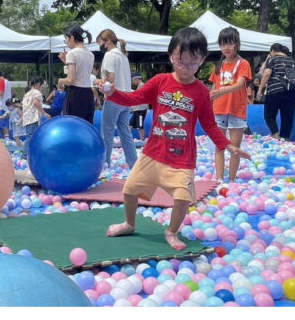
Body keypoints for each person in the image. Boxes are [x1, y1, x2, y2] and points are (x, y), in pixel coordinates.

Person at [99, 27, 251, 251]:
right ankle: (130, 223)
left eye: (192, 63)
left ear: (202, 61)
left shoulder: (200, 91)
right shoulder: (160, 81)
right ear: (171, 56)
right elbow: (134, 99)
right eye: (180, 61)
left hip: (181, 159)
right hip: (153, 153)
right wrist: (111, 94)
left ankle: (171, 231)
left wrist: (227, 144)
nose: (185, 68)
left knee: (182, 199)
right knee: (129, 189)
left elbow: (209, 123)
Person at [209, 27, 252, 183]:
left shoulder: (243, 63)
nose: (226, 47)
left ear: (236, 44)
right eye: (223, 44)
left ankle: (232, 180)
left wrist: (223, 91)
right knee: (219, 146)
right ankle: (219, 179)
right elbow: (213, 89)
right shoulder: (218, 66)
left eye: (229, 43)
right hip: (219, 109)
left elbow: (240, 84)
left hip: (236, 110)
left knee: (235, 148)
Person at [95, 29, 137, 169]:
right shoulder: (123, 55)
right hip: (126, 97)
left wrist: (98, 81)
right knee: (125, 132)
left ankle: (104, 163)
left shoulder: (109, 55)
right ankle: (133, 162)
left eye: (100, 43)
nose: (100, 46)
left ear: (107, 41)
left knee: (106, 133)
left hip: (114, 97)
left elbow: (110, 78)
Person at [256, 44, 295, 140]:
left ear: (272, 51)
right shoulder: (292, 61)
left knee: (269, 115)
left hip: (275, 91)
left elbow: (266, 74)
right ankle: (285, 139)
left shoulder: (273, 59)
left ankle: (276, 137)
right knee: (287, 116)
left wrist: (260, 90)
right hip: (291, 92)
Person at [58, 25, 95, 124]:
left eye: (66, 38)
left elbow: (71, 80)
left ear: (72, 38)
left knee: (72, 125)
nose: (66, 41)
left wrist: (60, 80)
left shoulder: (72, 53)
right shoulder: (91, 54)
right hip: (88, 93)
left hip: (75, 94)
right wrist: (67, 62)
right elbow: (82, 72)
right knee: (86, 126)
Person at [22, 76, 51, 158]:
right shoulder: (37, 92)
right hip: (33, 118)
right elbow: (36, 103)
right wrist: (44, 113)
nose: (42, 88)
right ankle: (25, 156)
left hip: (27, 118)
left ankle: (28, 155)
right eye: (42, 86)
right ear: (38, 84)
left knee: (29, 136)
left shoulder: (27, 93)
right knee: (31, 137)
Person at [129, 72, 148, 142]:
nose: (133, 82)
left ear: (136, 79)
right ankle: (126, 139)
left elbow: (139, 97)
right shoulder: (139, 86)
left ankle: (142, 140)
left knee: (140, 126)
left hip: (141, 110)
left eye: (133, 80)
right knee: (130, 124)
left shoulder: (142, 86)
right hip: (137, 110)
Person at [0, 70, 12, 139]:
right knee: (6, 122)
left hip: (2, 105)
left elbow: (1, 93)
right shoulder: (8, 82)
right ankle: (6, 138)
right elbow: (12, 92)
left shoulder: (1, 81)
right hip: (8, 104)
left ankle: (5, 139)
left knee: (3, 123)